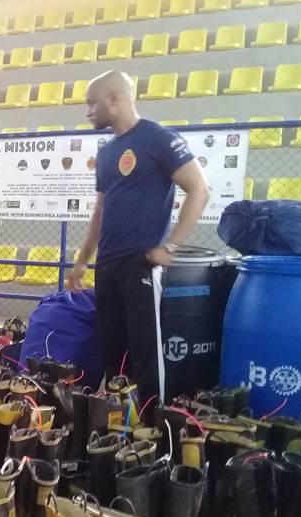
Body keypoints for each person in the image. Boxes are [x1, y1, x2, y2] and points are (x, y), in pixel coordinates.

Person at [68, 70, 209, 406]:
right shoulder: (105, 153)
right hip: (108, 265)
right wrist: (83, 260)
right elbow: (100, 212)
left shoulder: (158, 139)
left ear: (114, 100)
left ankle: (152, 429)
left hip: (140, 263)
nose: (88, 111)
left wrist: (169, 247)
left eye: (92, 103)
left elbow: (199, 189)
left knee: (146, 354)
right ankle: (118, 426)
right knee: (113, 353)